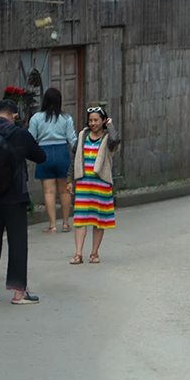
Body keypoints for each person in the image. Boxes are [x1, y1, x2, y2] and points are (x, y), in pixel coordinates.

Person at [0, 100, 46, 304]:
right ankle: (19, 292)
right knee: (17, 243)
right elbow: (41, 157)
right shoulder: (19, 134)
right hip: (14, 197)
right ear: (14, 115)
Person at [68, 106, 122, 265]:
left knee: (99, 220)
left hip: (101, 184)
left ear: (103, 120)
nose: (93, 123)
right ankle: (78, 254)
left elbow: (116, 140)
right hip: (83, 183)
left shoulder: (108, 138)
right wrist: (70, 179)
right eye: (91, 120)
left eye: (96, 120)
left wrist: (110, 125)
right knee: (80, 219)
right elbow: (74, 158)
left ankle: (94, 253)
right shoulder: (82, 136)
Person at [28, 87, 78, 233]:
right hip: (62, 152)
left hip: (44, 153)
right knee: (64, 191)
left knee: (49, 191)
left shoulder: (36, 118)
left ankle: (52, 225)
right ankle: (66, 223)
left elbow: (30, 139)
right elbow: (72, 139)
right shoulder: (66, 118)